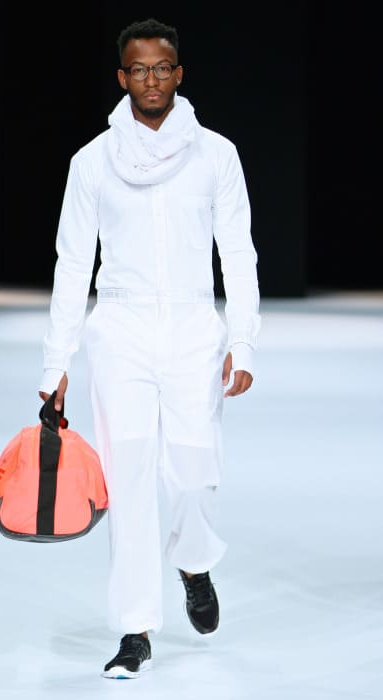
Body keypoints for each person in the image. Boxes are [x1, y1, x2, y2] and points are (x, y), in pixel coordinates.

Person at [38, 17, 261, 679]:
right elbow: (72, 263)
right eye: (138, 69)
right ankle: (134, 629)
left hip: (193, 328)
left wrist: (243, 340)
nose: (152, 80)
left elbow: (238, 252)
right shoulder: (91, 162)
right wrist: (56, 362)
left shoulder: (216, 155)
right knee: (129, 480)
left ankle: (193, 562)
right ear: (122, 77)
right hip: (121, 332)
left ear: (179, 73)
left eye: (162, 68)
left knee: (194, 475)